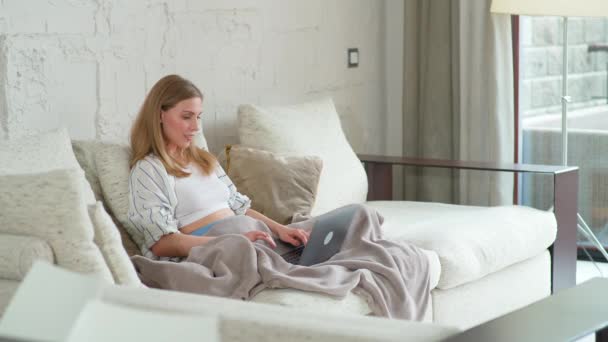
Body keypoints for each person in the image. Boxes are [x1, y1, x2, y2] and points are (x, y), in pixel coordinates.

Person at [127, 74, 309, 261]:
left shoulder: (204, 159)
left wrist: (281, 229)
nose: (195, 127)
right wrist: (228, 241)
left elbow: (240, 208)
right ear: (160, 115)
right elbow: (162, 244)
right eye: (186, 117)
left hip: (247, 236)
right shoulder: (148, 170)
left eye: (198, 117)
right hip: (218, 248)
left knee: (313, 233)